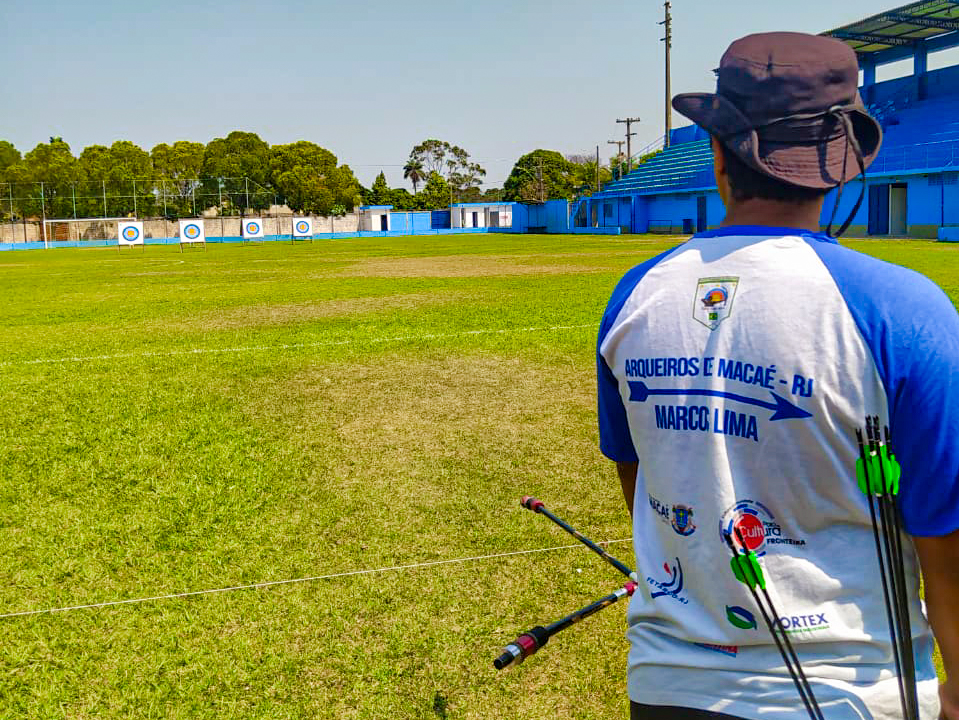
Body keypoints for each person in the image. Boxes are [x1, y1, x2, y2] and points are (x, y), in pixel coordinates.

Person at [596, 32, 959, 720]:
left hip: (665, 685)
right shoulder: (903, 308)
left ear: (716, 155)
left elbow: (640, 479)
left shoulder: (634, 293)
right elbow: (945, 529)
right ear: (843, 163)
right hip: (852, 693)